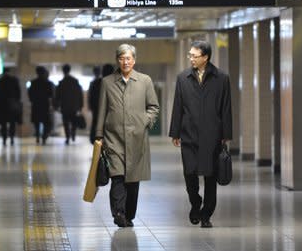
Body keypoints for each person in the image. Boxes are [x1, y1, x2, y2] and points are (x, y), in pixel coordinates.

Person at [169, 40, 232, 228]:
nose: (191, 59)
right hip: (188, 134)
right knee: (190, 173)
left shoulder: (221, 78)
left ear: (206, 57)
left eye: (194, 56)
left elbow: (226, 108)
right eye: (190, 55)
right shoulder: (183, 78)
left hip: (212, 135)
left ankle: (206, 214)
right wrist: (175, 132)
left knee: (210, 176)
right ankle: (195, 203)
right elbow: (178, 106)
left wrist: (226, 134)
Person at [95, 44, 160, 228]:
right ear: (117, 60)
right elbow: (102, 110)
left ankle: (129, 213)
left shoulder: (144, 81)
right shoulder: (107, 82)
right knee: (117, 176)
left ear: (134, 60)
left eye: (129, 58)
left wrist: (145, 121)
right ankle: (118, 213)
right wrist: (99, 135)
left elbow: (154, 107)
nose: (125, 62)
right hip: (113, 138)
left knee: (133, 179)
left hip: (137, 138)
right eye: (122, 58)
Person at [54, 64, 83, 144]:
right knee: (73, 121)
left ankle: (67, 137)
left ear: (63, 71)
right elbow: (79, 94)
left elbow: (57, 95)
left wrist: (56, 105)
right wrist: (80, 105)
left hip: (65, 106)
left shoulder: (61, 82)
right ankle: (73, 133)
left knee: (66, 122)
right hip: (74, 106)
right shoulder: (75, 81)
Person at [87, 63, 115, 144]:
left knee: (97, 131)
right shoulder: (116, 84)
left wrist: (92, 108)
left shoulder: (96, 83)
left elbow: (92, 98)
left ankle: (98, 148)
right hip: (111, 113)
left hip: (98, 112)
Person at [0, 68, 22, 145]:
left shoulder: (0, 81)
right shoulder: (14, 80)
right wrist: (17, 102)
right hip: (12, 104)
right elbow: (18, 93)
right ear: (9, 72)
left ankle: (4, 138)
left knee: (3, 123)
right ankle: (12, 137)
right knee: (12, 123)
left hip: (2, 105)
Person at [28, 66, 54, 145]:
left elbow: (30, 93)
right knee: (47, 123)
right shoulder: (48, 83)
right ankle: (44, 137)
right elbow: (51, 94)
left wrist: (32, 100)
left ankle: (38, 137)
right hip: (45, 105)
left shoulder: (33, 82)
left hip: (36, 105)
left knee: (37, 122)